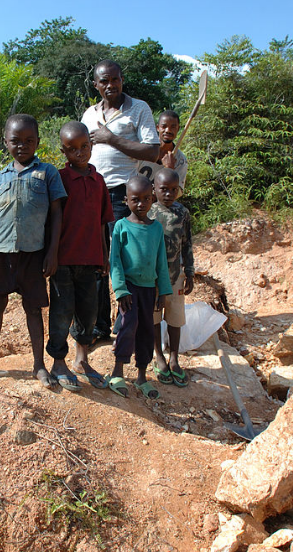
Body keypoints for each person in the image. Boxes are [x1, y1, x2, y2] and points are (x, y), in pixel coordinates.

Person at [0, 114, 68, 389]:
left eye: (29, 140)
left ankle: (39, 366)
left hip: (34, 252)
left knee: (33, 309)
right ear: (6, 142)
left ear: (37, 142)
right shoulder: (0, 177)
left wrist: (52, 252)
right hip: (1, 250)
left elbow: (57, 214)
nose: (22, 145)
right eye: (15, 141)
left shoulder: (47, 173)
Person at [81, 60, 160, 343]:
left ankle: (126, 321)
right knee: (97, 260)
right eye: (104, 81)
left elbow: (153, 151)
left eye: (115, 79)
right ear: (96, 85)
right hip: (91, 193)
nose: (110, 85)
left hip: (121, 194)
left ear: (122, 80)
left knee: (124, 259)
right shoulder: (89, 114)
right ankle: (101, 325)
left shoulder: (139, 108)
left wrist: (111, 138)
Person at [49, 122, 115, 390]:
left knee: (88, 313)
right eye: (72, 149)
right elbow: (52, 219)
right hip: (63, 260)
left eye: (84, 146)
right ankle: (57, 362)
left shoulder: (99, 181)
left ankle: (81, 360)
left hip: (91, 259)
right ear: (64, 151)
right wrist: (51, 255)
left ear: (91, 144)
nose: (80, 153)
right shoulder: (59, 179)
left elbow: (102, 222)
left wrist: (105, 255)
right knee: (62, 312)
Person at [107, 175, 172, 400]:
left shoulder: (155, 229)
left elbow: (161, 262)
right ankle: (117, 372)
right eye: (136, 199)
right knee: (128, 325)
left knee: (146, 330)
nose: (142, 204)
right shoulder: (121, 227)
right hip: (130, 288)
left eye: (146, 199)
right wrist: (121, 290)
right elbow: (114, 260)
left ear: (153, 198)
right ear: (126, 200)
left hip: (149, 289)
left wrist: (163, 290)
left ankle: (142, 376)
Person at [149, 168, 194, 387]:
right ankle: (158, 356)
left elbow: (187, 245)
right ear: (154, 189)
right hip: (153, 277)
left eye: (173, 190)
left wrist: (190, 273)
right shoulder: (148, 212)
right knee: (155, 318)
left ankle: (174, 358)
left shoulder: (182, 213)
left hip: (175, 275)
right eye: (163, 189)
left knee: (175, 317)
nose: (168, 194)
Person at [137, 110, 189, 189]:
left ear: (178, 129)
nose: (168, 130)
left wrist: (169, 170)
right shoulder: (143, 149)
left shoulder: (181, 160)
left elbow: (177, 191)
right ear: (158, 128)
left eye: (173, 127)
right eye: (164, 126)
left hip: (160, 201)